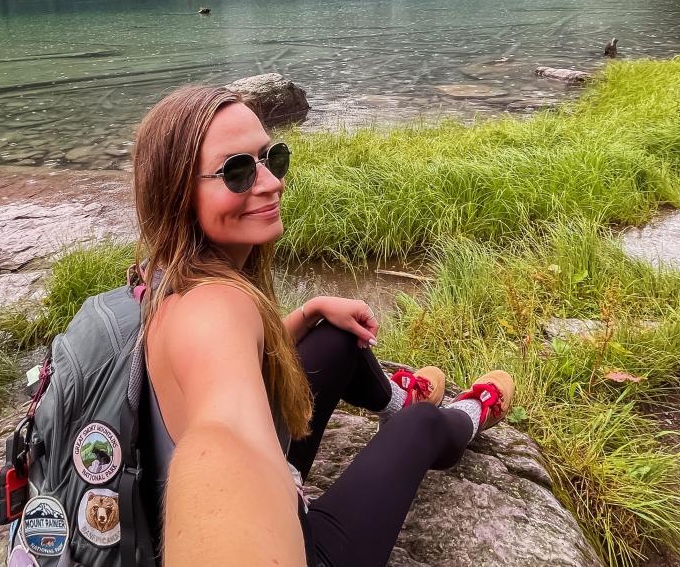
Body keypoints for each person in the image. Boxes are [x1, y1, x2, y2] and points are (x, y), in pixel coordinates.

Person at [133, 85, 514, 567]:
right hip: (299, 550)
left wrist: (309, 312)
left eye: (272, 157)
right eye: (237, 171)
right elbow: (223, 431)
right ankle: (464, 416)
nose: (271, 183)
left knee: (334, 337)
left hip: (215, 497)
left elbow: (230, 362)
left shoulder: (168, 275)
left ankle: (398, 402)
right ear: (177, 193)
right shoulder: (217, 309)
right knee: (422, 428)